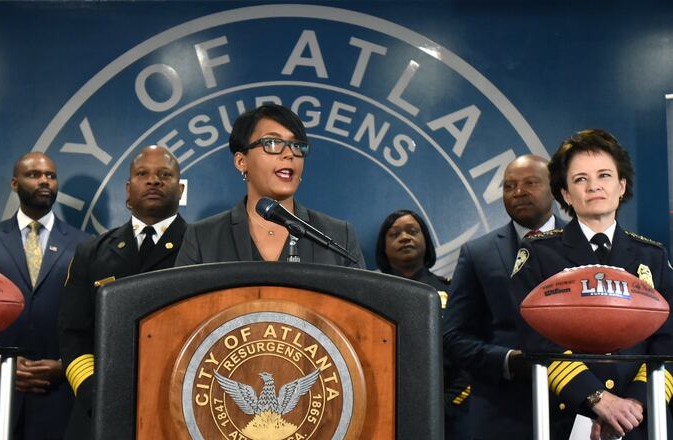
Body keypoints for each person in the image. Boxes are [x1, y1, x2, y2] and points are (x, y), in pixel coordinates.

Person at [510, 129, 673, 440]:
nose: (594, 185)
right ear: (567, 195)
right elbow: (536, 339)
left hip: (645, 421)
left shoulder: (653, 255)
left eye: (604, 175)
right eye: (580, 179)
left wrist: (634, 404)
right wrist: (598, 399)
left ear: (621, 186)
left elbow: (669, 340)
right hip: (567, 418)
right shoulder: (537, 254)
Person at [0, 153, 89, 439]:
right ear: (15, 183)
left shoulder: (86, 246)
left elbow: (95, 314)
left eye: (50, 176)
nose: (44, 181)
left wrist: (67, 365)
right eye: (34, 174)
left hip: (59, 397)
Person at [58, 145, 186, 440]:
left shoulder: (202, 248)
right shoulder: (91, 252)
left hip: (175, 406)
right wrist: (95, 392)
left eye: (164, 174)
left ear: (180, 189)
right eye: (143, 174)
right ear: (128, 190)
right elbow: (72, 334)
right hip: (99, 408)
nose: (153, 180)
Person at [443, 154, 566, 440]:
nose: (518, 192)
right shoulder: (477, 253)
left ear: (556, 188)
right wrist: (508, 361)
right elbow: (453, 337)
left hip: (575, 409)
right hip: (502, 412)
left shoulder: (586, 245)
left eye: (530, 183)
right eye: (509, 186)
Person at [174, 103, 365, 267]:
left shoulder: (339, 236)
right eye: (272, 143)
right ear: (241, 161)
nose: (289, 153)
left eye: (296, 146)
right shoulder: (202, 237)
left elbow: (359, 306)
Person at [376, 209, 471, 440]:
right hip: (384, 413)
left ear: (426, 241)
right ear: (383, 248)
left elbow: (468, 356)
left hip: (449, 417)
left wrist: (444, 407)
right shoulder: (371, 294)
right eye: (395, 234)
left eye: (412, 231)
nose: (405, 238)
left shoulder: (452, 291)